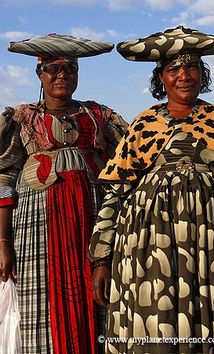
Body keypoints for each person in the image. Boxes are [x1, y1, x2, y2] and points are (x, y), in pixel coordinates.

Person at [89, 26, 214, 354]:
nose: (184, 76)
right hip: (147, 255)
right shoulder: (143, 125)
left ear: (203, 75)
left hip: (211, 252)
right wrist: (101, 259)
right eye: (174, 69)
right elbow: (115, 193)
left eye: (192, 67)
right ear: (161, 79)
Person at [0, 33, 128, 354]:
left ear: (77, 74)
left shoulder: (100, 116)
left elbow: (129, 163)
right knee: (41, 300)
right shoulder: (21, 119)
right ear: (39, 74)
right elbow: (3, 179)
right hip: (37, 228)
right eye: (53, 69)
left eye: (69, 68)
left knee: (100, 291)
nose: (62, 75)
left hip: (93, 222)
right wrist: (2, 242)